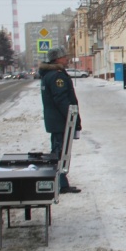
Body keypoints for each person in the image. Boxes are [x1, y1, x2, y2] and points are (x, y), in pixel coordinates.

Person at [39, 46, 81, 194]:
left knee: (59, 151)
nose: (66, 59)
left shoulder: (50, 74)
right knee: (59, 152)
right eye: (64, 57)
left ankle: (61, 182)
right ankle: (59, 183)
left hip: (56, 120)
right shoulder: (56, 76)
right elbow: (62, 99)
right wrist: (72, 119)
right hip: (60, 121)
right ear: (57, 59)